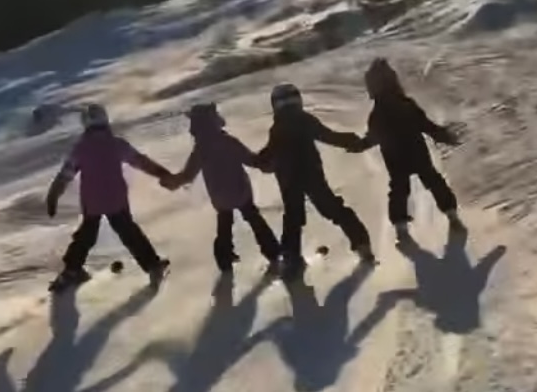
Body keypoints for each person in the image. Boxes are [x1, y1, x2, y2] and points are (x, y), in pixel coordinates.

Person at [45, 103, 171, 290]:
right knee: (129, 233)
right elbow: (141, 162)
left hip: (92, 202)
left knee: (86, 236)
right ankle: (153, 266)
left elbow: (65, 176)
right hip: (116, 200)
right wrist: (163, 173)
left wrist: (53, 196)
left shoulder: (81, 149)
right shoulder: (117, 144)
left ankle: (72, 271)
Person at [256, 83, 375, 277]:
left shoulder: (278, 128)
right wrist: (351, 140)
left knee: (293, 218)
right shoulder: (303, 120)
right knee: (331, 208)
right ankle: (362, 244)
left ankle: (292, 259)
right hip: (310, 174)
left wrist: (260, 161)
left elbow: (270, 153)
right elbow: (327, 136)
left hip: (289, 179)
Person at [349, 57, 464, 242]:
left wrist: (359, 145)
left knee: (399, 188)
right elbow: (425, 125)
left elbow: (373, 138)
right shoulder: (406, 104)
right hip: (416, 151)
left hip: (394, 157)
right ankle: (451, 214)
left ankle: (400, 226)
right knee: (433, 180)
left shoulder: (377, 113)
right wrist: (444, 136)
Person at [161, 103, 281, 274]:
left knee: (224, 226)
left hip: (220, 197)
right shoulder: (228, 142)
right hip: (241, 191)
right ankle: (273, 252)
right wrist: (267, 160)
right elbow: (251, 160)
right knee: (254, 219)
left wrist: (173, 181)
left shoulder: (200, 149)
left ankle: (224, 260)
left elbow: (188, 175)